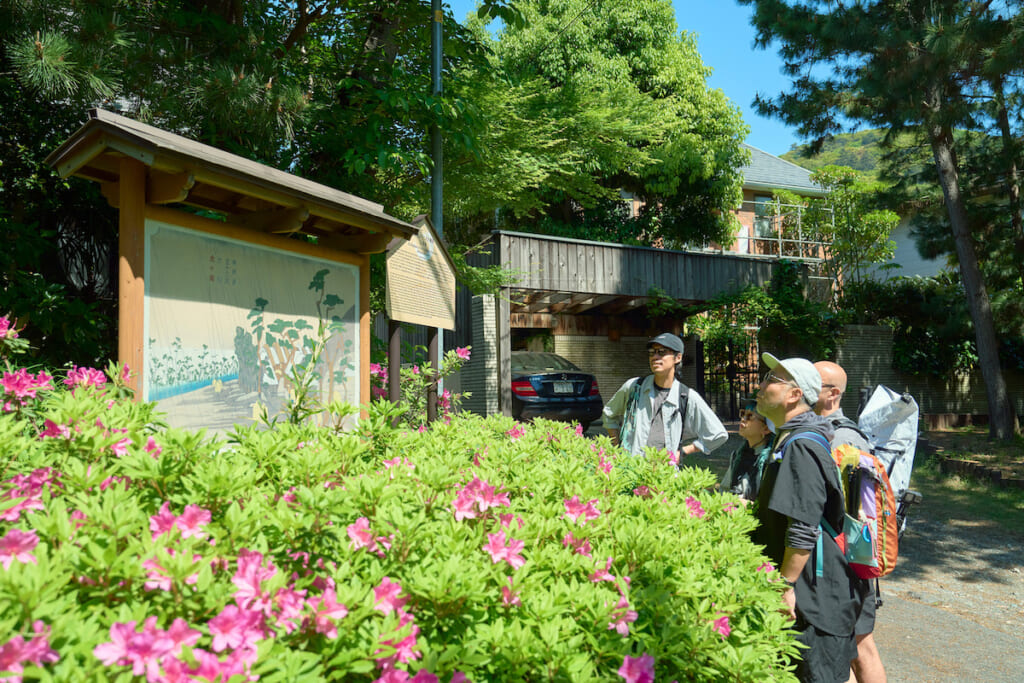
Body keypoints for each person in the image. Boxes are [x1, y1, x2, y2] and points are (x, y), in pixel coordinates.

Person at [752, 353, 861, 683]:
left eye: (771, 380)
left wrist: (784, 586)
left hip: (813, 599)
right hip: (808, 593)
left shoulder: (801, 445)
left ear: (795, 394)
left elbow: (803, 526)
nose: (760, 385)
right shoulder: (789, 438)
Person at [814, 361, 887, 683]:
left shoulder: (843, 437)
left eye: (812, 383)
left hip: (848, 553)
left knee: (860, 644)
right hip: (837, 551)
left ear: (833, 394)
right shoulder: (821, 430)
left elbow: (852, 506)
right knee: (852, 643)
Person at [602, 332, 727, 457]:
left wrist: (683, 452)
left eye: (662, 352)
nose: (655, 357)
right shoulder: (634, 387)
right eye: (652, 352)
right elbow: (608, 413)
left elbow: (718, 434)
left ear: (678, 358)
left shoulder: (686, 396)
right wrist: (617, 448)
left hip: (665, 468)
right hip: (631, 466)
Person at [720, 399, 774, 501]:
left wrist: (747, 505)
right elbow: (724, 490)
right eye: (743, 414)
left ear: (766, 429)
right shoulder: (736, 456)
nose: (743, 419)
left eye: (750, 416)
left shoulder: (770, 461)